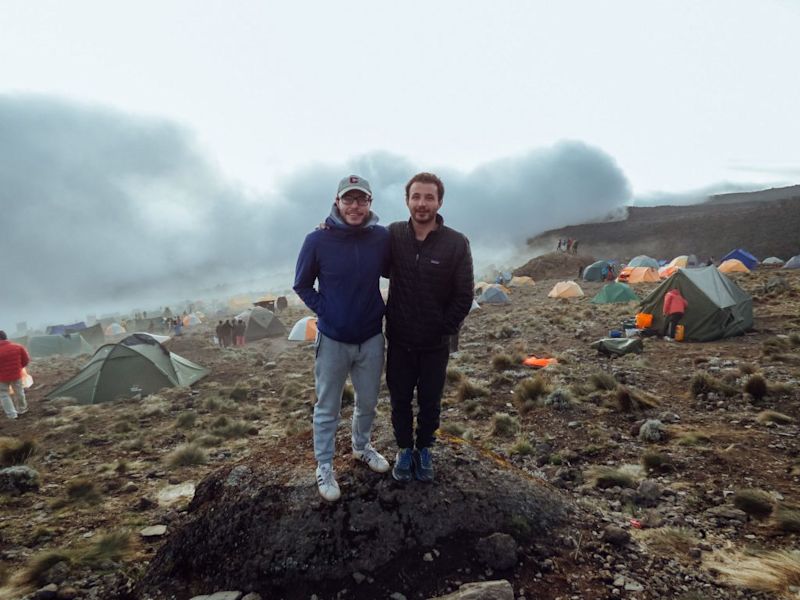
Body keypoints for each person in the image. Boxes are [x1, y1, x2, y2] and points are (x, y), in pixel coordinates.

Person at [294, 174, 391, 502]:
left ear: (369, 204)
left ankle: (362, 447)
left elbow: (401, 266)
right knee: (327, 406)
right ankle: (324, 464)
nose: (354, 206)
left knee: (367, 402)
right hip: (333, 339)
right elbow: (302, 284)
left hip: (371, 338)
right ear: (337, 202)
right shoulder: (317, 240)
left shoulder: (381, 238)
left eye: (360, 199)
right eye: (348, 199)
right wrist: (328, 311)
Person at [386, 172, 474, 483]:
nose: (422, 204)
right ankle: (404, 449)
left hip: (435, 343)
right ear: (407, 200)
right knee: (399, 398)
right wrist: (331, 228)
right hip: (399, 339)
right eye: (416, 197)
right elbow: (362, 250)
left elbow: (464, 294)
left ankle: (424, 448)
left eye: (429, 197)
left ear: (439, 201)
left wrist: (443, 328)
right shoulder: (394, 235)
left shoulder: (456, 242)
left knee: (430, 399)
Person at [0, 331, 30, 420]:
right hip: (16, 374)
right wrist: (18, 368)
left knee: (4, 395)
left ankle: (12, 415)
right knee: (19, 392)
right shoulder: (18, 347)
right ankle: (22, 409)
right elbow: (26, 360)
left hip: (1, 377)